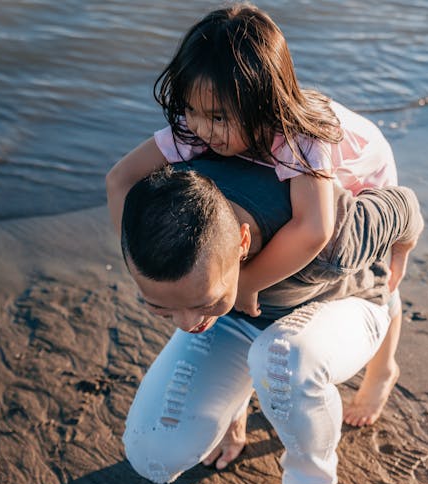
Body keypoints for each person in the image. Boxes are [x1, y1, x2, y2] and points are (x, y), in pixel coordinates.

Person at [107, 2, 402, 428]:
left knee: (381, 276)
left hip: (364, 173)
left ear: (263, 105)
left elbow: (313, 228)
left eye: (217, 117)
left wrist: (246, 282)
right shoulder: (201, 122)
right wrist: (141, 254)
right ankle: (236, 401)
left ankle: (383, 368)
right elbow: (120, 180)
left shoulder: (301, 136)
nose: (202, 129)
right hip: (274, 147)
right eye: (191, 109)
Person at [113, 157, 423, 484]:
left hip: (346, 303)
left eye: (201, 303)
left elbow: (404, 205)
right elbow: (120, 178)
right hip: (239, 316)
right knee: (153, 454)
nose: (187, 325)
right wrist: (227, 402)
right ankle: (236, 393)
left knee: (281, 357)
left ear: (242, 244)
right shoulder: (161, 213)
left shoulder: (329, 235)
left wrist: (402, 255)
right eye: (160, 307)